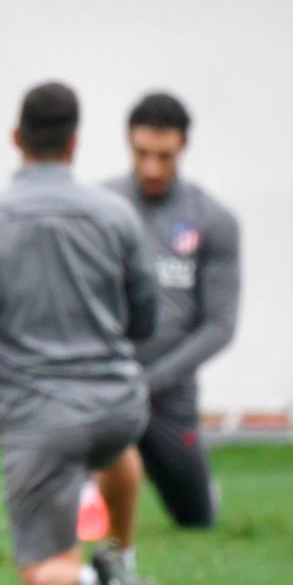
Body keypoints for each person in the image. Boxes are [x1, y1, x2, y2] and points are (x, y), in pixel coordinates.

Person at [0, 82, 169, 585]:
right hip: (120, 407)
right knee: (114, 448)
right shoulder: (116, 214)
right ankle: (122, 555)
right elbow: (149, 315)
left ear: (17, 137)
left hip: (41, 417)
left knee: (45, 583)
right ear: (74, 144)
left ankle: (100, 579)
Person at [104, 91, 240, 528]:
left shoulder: (213, 219)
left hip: (169, 395)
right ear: (129, 143)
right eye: (142, 153)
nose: (152, 168)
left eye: (164, 155)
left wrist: (149, 381)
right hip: (101, 385)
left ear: (182, 147)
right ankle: (85, 491)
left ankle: (197, 489)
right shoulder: (100, 208)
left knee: (196, 518)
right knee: (71, 505)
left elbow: (219, 325)